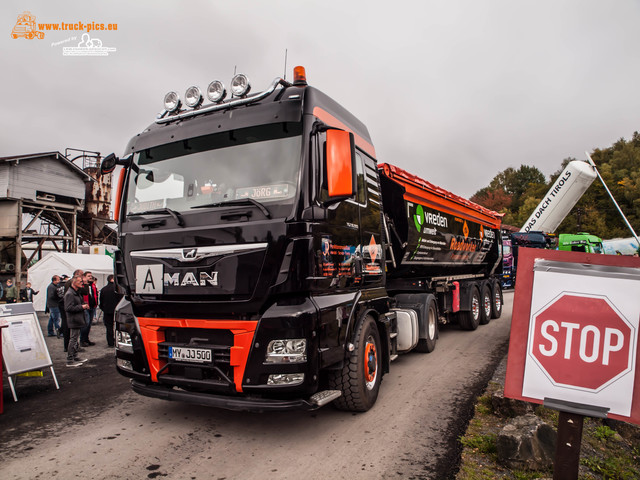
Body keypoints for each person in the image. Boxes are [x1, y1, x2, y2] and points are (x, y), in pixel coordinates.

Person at [63, 275, 89, 367]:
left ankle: (75, 356)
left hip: (77, 318)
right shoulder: (70, 294)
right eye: (80, 282)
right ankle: (70, 359)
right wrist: (81, 307)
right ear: (74, 283)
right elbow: (68, 307)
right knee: (73, 339)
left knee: (75, 339)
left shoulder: (76, 293)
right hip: (74, 319)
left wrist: (83, 305)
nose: (82, 283)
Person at [99, 274, 122, 347]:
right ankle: (118, 340)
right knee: (118, 326)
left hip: (107, 310)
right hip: (116, 310)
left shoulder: (104, 289)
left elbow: (101, 300)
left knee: (109, 326)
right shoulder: (118, 289)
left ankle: (110, 342)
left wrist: (103, 308)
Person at [80, 271, 97, 347]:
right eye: (88, 276)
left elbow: (95, 295)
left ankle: (86, 339)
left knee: (89, 324)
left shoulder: (93, 285)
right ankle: (82, 340)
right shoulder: (83, 286)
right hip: (86, 307)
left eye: (91, 276)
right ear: (84, 277)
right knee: (85, 324)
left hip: (92, 306)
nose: (90, 277)